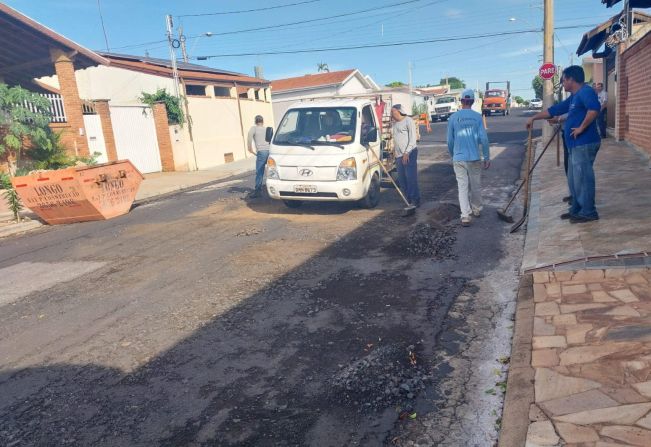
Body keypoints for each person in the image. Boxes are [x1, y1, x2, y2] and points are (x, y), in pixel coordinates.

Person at [527, 65, 601, 223]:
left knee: (583, 179)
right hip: (575, 144)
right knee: (574, 180)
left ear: (571, 79)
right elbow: (554, 110)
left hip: (584, 143)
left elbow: (594, 109)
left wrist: (581, 127)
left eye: (563, 80)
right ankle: (576, 209)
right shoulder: (574, 96)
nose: (562, 83)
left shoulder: (585, 91)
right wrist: (534, 118)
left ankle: (589, 212)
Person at [446, 89, 490, 227]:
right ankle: (476, 209)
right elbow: (483, 138)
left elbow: (449, 140)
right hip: (474, 157)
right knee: (475, 185)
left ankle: (465, 216)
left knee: (462, 187)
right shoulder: (477, 117)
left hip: (459, 157)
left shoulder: (453, 117)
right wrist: (487, 157)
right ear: (472, 101)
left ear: (461, 101)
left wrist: (454, 155)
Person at [391, 104, 420, 207]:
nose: (392, 114)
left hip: (409, 153)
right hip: (399, 155)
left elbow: (413, 139)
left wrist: (407, 152)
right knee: (402, 179)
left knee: (411, 178)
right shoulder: (395, 124)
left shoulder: (408, 121)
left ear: (399, 111)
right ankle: (408, 200)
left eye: (393, 112)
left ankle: (415, 200)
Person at [247, 115, 270, 198]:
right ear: (262, 121)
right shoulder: (267, 129)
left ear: (255, 121)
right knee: (272, 170)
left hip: (261, 152)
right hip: (270, 151)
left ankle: (258, 191)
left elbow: (249, 138)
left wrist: (250, 149)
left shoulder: (254, 128)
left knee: (259, 172)